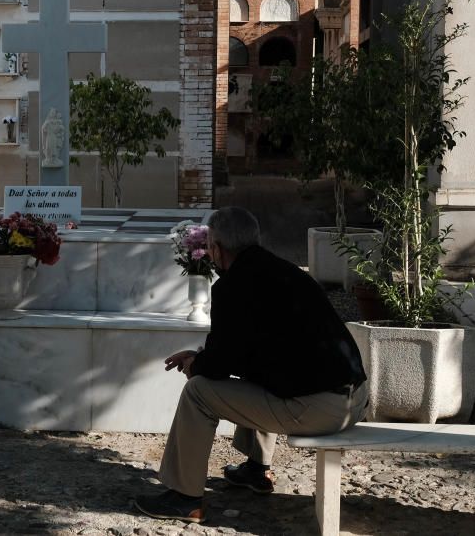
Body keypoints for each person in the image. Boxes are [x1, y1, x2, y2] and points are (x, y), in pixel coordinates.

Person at [134, 206, 369, 523]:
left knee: (198, 392)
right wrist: (201, 356)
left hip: (323, 408)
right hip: (353, 398)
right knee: (261, 371)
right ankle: (257, 469)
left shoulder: (233, 286)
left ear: (216, 249)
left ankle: (185, 498)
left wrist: (195, 365)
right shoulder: (284, 271)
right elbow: (246, 348)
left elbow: (217, 366)